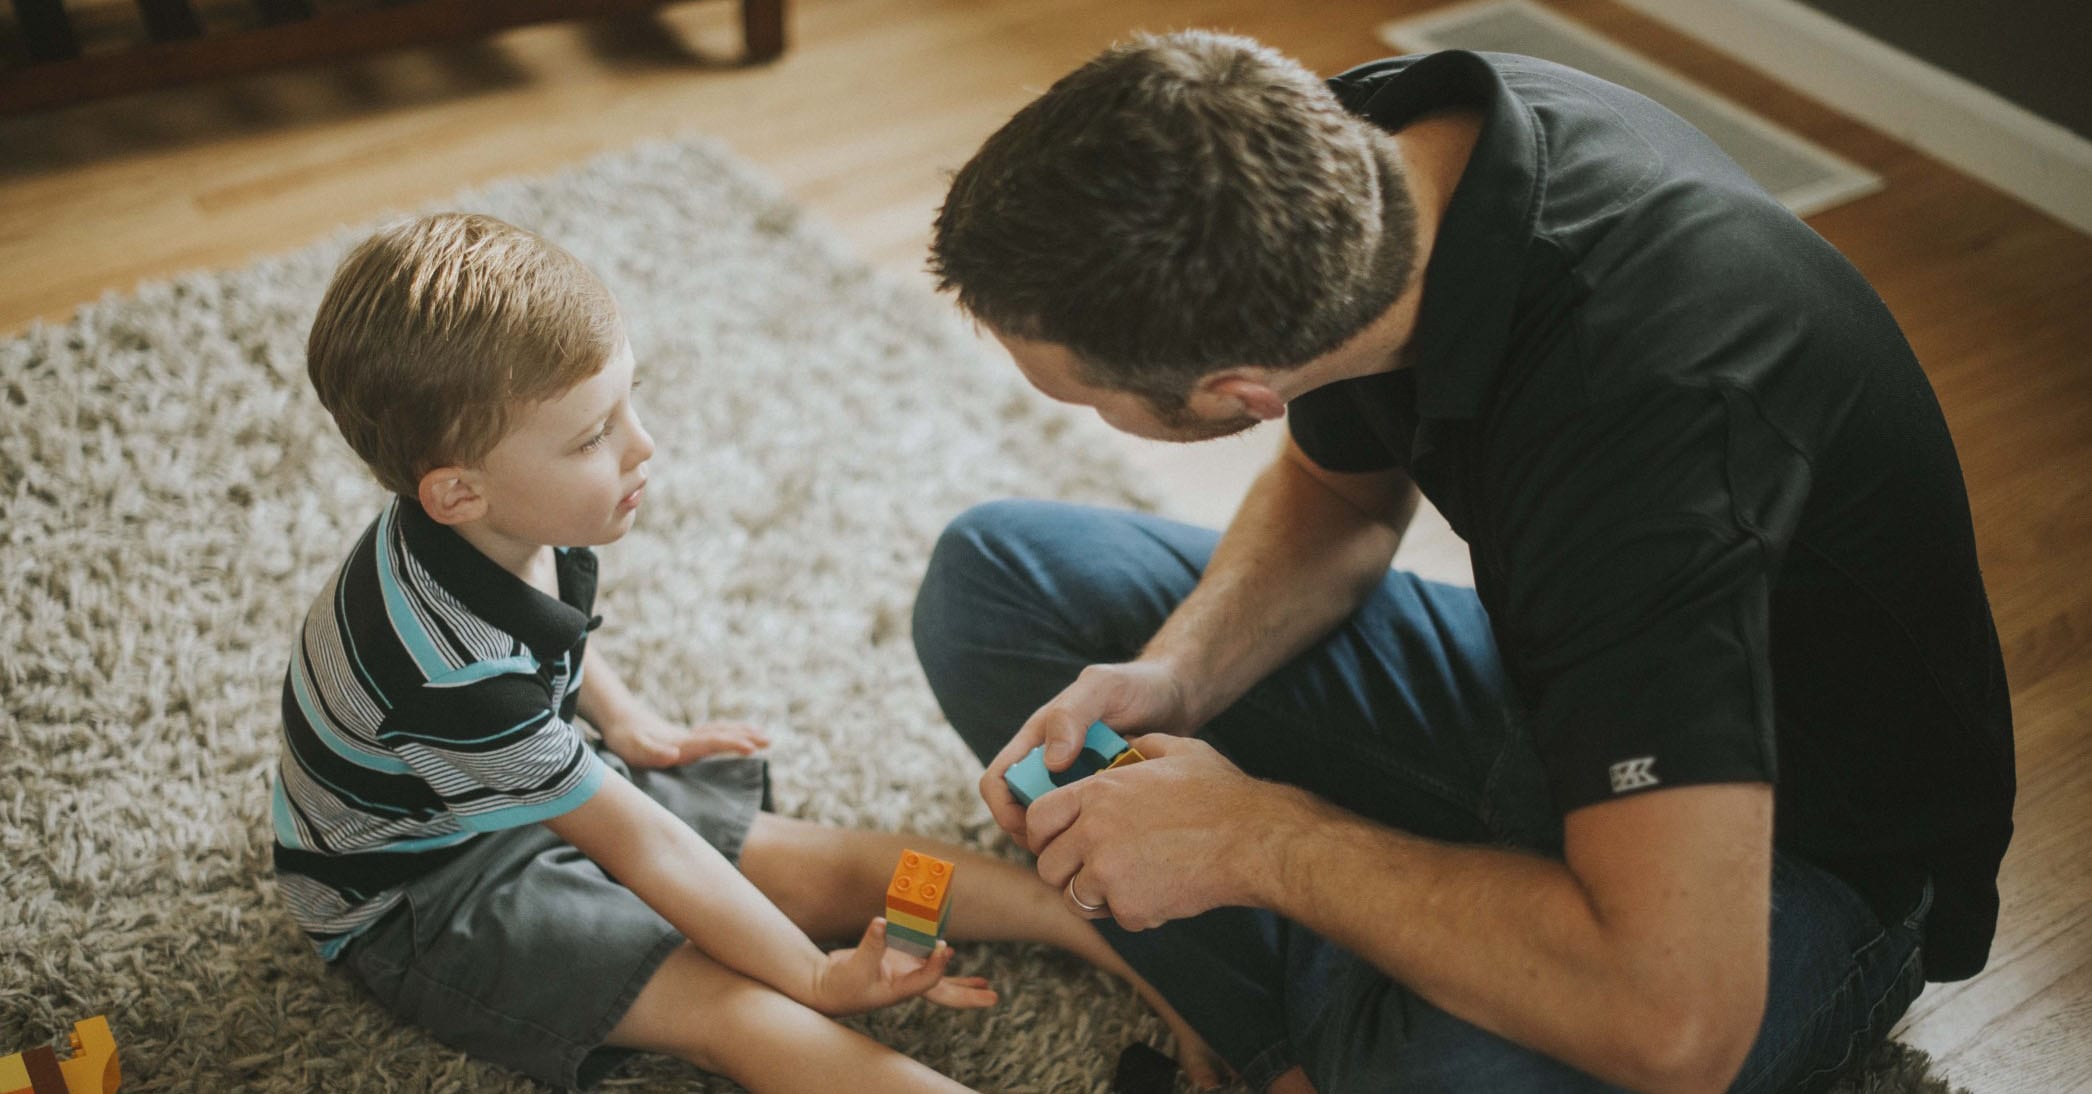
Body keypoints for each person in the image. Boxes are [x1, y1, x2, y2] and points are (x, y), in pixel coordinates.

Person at [912, 32, 2014, 1094]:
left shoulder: (1643, 430)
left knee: (1440, 1071)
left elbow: (1678, 1023)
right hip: (1576, 682)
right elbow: (1338, 491)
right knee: (995, 580)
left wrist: (1257, 838)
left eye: (1078, 395)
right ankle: (1319, 1008)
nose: (1074, 412)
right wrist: (1179, 677)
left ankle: (1320, 1001)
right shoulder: (1354, 161)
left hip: (1809, 846)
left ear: (1236, 394)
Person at [270, 212, 1196, 1092]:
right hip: (421, 895)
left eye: (628, 403)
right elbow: (645, 848)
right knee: (750, 1011)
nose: (644, 446)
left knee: (831, 867)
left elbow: (539, 648)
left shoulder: (507, 524)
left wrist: (629, 721)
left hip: (511, 780)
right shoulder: (450, 674)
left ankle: (1098, 938)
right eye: (594, 435)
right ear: (457, 493)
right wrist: (816, 976)